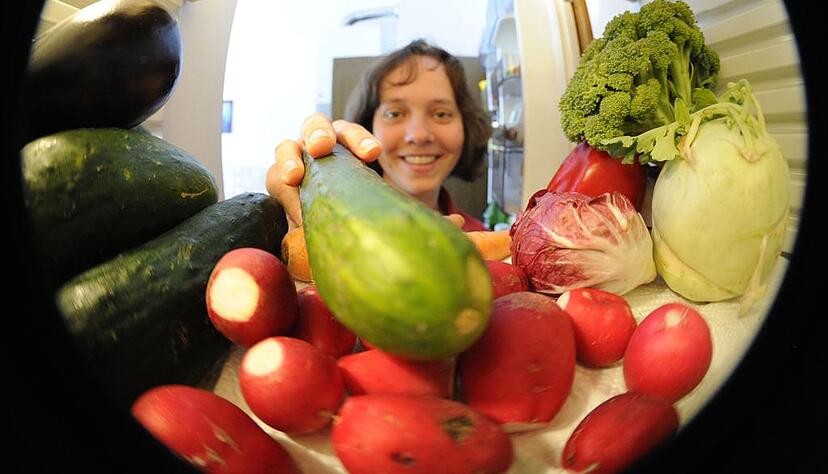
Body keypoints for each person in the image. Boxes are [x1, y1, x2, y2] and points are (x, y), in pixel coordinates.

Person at [266, 39, 492, 232]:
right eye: (394, 113)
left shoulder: (496, 246)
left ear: (466, 126)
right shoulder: (328, 226)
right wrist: (304, 193)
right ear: (368, 125)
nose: (419, 135)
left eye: (441, 114)